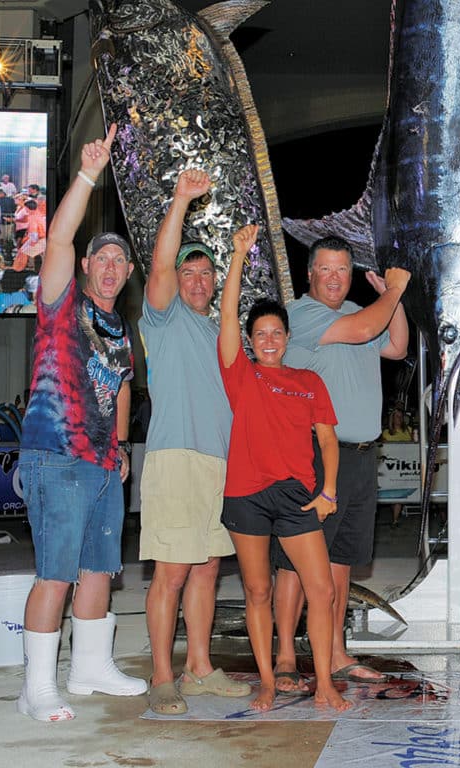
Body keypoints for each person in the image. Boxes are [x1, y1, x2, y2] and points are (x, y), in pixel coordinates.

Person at [17, 125, 147, 722]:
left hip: (100, 464)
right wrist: (89, 173)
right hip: (55, 455)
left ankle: (90, 667)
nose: (113, 267)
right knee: (56, 572)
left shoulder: (122, 330)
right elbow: (61, 234)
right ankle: (35, 687)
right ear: (87, 265)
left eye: (122, 261)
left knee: (100, 568)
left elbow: (120, 388)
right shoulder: (61, 301)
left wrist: (120, 450)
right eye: (105, 257)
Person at [218, 224, 351, 713]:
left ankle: (324, 682)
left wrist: (329, 491)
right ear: (250, 341)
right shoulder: (241, 374)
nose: (268, 340)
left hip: (298, 496)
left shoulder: (308, 379)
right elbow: (227, 314)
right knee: (257, 590)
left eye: (276, 332)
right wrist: (237, 257)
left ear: (287, 337)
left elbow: (328, 439)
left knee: (321, 589)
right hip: (247, 495)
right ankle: (269, 683)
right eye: (260, 334)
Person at [272, 236, 410, 690]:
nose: (334, 278)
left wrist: (396, 298)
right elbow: (365, 332)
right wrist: (390, 291)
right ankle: (287, 657)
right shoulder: (301, 315)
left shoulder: (358, 312)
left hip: (362, 456)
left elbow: (396, 345)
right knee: (295, 561)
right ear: (310, 274)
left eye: (342, 270)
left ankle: (333, 653)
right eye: (326, 269)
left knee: (341, 563)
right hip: (313, 455)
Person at [137, 168, 249, 715]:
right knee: (172, 570)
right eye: (190, 270)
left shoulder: (219, 329)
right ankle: (163, 676)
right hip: (176, 457)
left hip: (218, 463)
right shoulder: (162, 317)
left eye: (207, 272)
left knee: (207, 567)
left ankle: (199, 667)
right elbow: (159, 265)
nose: (197, 280)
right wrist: (181, 200)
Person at [381, 407, 413, 527]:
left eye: (401, 416)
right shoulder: (386, 433)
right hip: (390, 469)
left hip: (404, 467)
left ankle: (395, 520)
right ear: (392, 418)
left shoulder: (409, 430)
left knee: (399, 494)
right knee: (392, 494)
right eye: (396, 416)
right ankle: (396, 513)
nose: (399, 419)